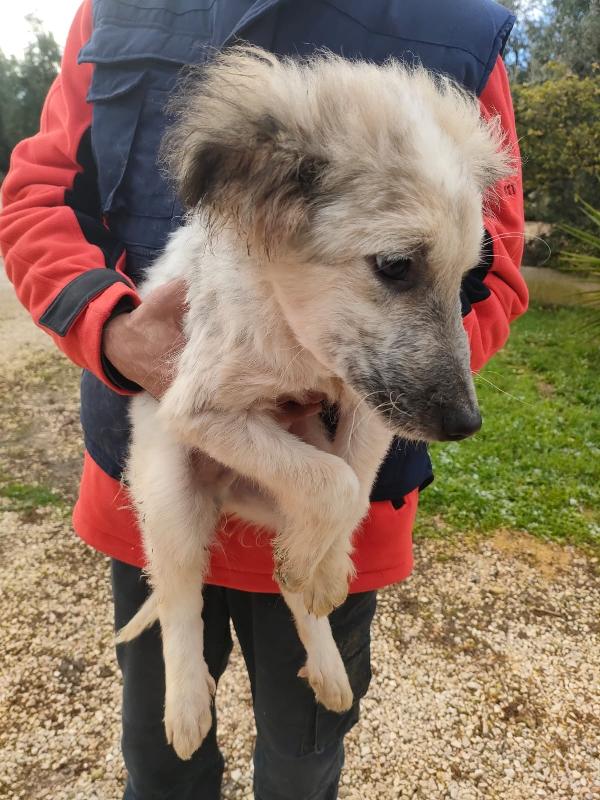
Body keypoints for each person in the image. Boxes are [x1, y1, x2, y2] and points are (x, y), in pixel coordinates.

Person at [0, 1, 528, 798]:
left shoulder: (460, 26)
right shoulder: (117, 6)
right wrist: (112, 331)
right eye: (395, 266)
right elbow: (35, 198)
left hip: (339, 513)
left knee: (304, 759)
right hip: (164, 466)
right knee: (163, 758)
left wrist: (342, 382)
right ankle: (181, 638)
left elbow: (495, 274)